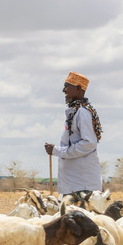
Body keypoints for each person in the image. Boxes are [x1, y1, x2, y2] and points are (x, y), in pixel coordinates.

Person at [44, 71, 103, 200]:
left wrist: (57, 151)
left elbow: (89, 143)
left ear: (78, 88)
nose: (63, 90)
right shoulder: (74, 112)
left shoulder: (82, 112)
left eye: (67, 86)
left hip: (83, 189)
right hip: (74, 185)